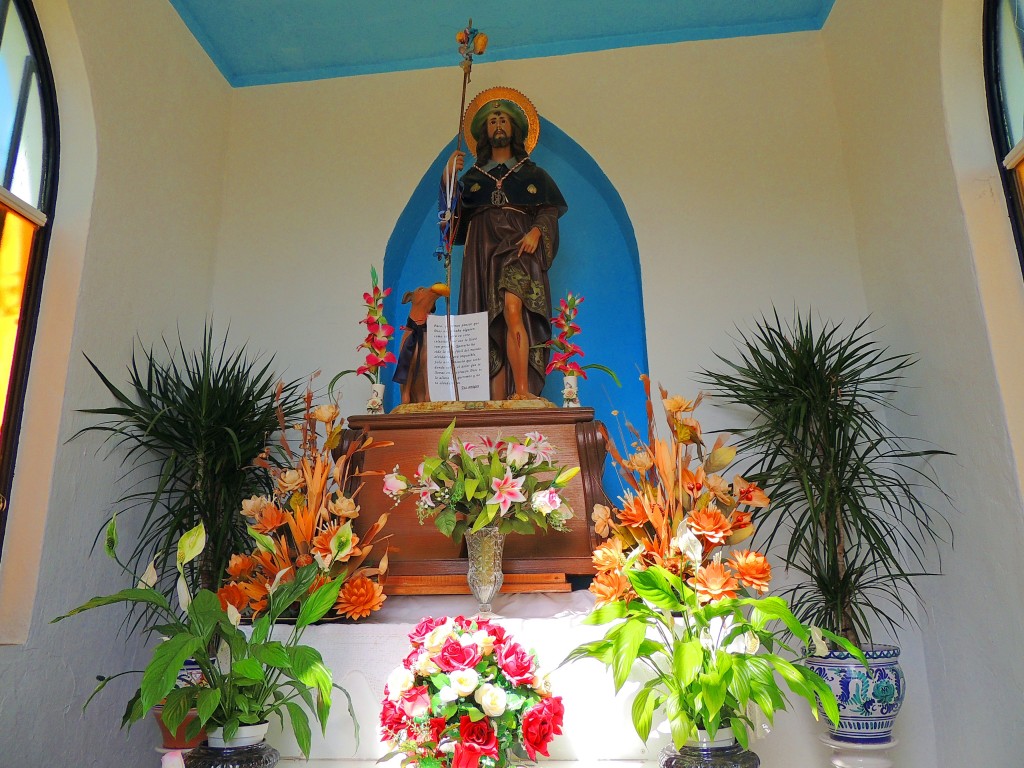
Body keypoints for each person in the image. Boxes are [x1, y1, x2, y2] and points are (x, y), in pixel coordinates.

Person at [445, 89, 567, 400]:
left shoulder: (534, 174)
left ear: (514, 128)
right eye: (492, 121)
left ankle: (523, 391)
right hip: (482, 250)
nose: (498, 124)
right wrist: (448, 179)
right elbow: (451, 222)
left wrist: (537, 230)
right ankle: (495, 398)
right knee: (488, 317)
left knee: (514, 310)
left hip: (519, 245)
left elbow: (549, 209)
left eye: (503, 119)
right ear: (484, 132)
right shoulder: (472, 178)